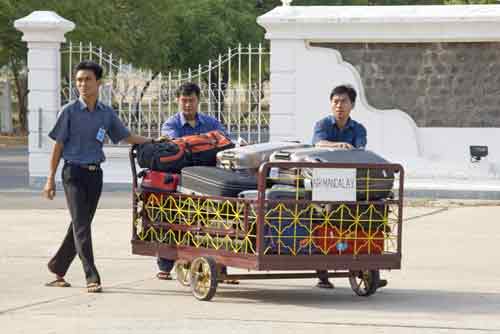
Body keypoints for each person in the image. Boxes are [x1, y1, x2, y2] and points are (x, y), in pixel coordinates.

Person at [43, 60, 153, 293]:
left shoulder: (106, 113)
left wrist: (153, 141)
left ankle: (57, 265)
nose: (82, 84)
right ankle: (91, 275)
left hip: (95, 175)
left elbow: (125, 136)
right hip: (72, 173)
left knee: (80, 224)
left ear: (98, 83)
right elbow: (58, 146)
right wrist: (50, 178)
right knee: (82, 226)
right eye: (79, 80)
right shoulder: (69, 111)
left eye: (87, 79)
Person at [157, 82, 237, 283]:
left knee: (219, 221)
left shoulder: (211, 122)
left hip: (209, 179)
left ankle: (222, 269)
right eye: (183, 101)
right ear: (178, 101)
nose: (187, 105)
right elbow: (177, 147)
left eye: (191, 100)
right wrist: (208, 141)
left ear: (198, 101)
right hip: (179, 180)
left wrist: (199, 143)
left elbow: (225, 140)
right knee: (173, 219)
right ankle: (165, 266)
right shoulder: (170, 124)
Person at [311, 84, 387, 289]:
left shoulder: (358, 128)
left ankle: (372, 269)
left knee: (369, 218)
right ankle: (323, 274)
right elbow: (318, 143)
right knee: (326, 220)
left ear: (352, 105)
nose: (339, 106)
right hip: (326, 183)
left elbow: (360, 150)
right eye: (335, 101)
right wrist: (337, 146)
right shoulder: (323, 124)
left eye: (343, 101)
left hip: (353, 183)